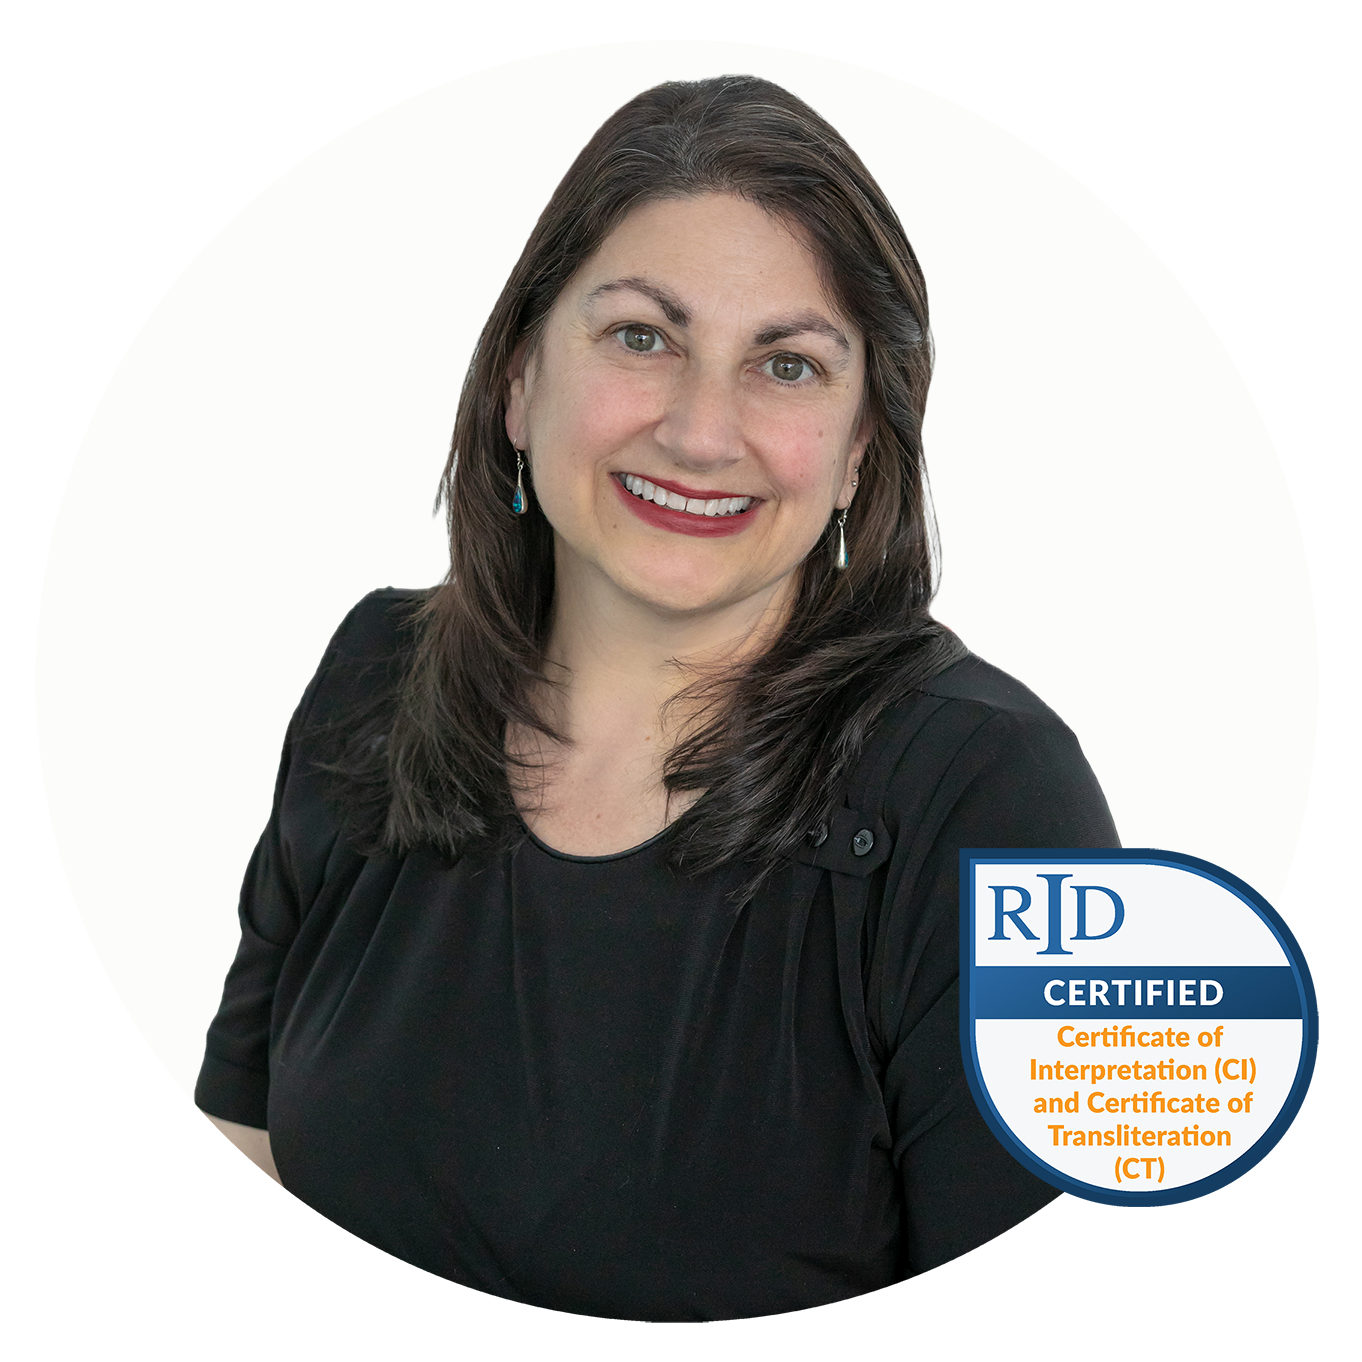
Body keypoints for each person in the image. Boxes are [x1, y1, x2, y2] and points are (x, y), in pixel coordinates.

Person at [195, 76, 1117, 1320]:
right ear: (518, 379)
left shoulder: (991, 799)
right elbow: (248, 1131)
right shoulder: (378, 675)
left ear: (860, 450)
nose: (701, 432)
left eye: (787, 365)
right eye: (643, 338)